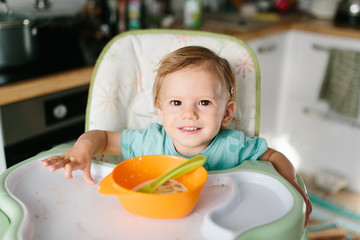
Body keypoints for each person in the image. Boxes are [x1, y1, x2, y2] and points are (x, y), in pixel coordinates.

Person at [41, 46, 312, 225]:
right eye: (176, 103)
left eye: (204, 103)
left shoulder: (233, 146)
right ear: (159, 109)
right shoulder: (149, 141)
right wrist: (80, 150)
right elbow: (99, 137)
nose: (189, 114)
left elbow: (275, 156)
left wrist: (294, 189)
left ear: (227, 114)